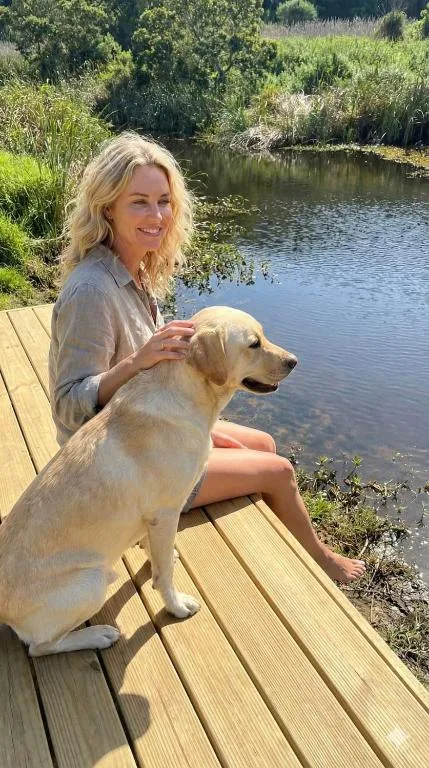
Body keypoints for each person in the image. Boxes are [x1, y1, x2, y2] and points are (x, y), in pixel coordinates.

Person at [49, 132, 366, 584]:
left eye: (163, 201)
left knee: (263, 445)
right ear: (107, 207)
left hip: (150, 423)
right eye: (139, 202)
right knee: (279, 472)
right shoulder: (92, 291)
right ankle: (321, 561)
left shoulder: (133, 268)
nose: (156, 215)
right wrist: (137, 362)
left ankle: (271, 544)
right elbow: (67, 405)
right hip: (122, 463)